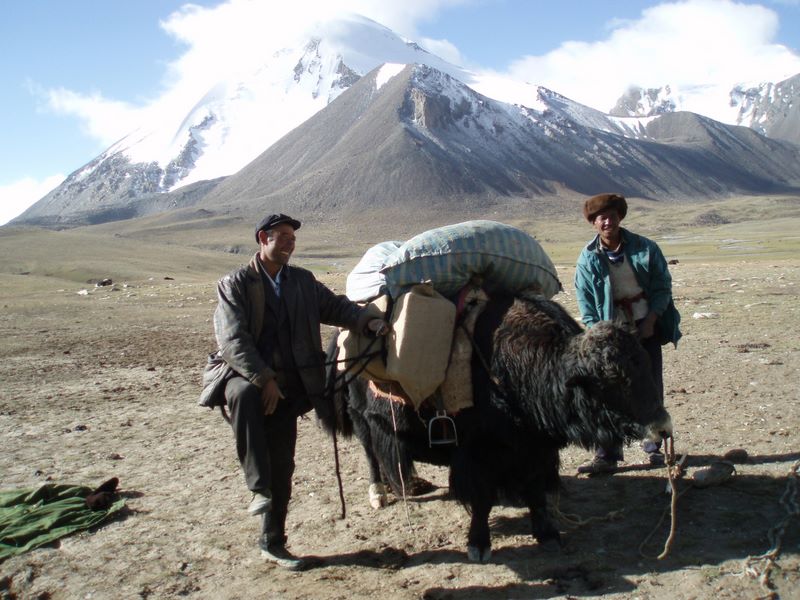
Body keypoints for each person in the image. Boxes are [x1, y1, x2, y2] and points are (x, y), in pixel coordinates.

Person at [198, 213, 389, 569]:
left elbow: (336, 307)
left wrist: (369, 321)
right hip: (246, 374)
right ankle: (258, 487)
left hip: (290, 385)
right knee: (243, 395)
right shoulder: (235, 284)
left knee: (283, 463)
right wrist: (264, 378)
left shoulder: (302, 281)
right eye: (283, 236)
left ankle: (273, 542)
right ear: (263, 238)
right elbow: (233, 340)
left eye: (293, 237)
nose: (290, 242)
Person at [573, 193, 681, 475]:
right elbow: (586, 303)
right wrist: (599, 333)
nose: (607, 222)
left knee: (650, 387)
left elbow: (662, 287)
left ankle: (655, 448)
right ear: (594, 223)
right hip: (610, 333)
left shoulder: (646, 248)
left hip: (646, 325)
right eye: (601, 218)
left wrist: (651, 320)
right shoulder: (587, 259)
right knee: (607, 392)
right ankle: (607, 454)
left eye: (612, 216)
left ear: (620, 218)